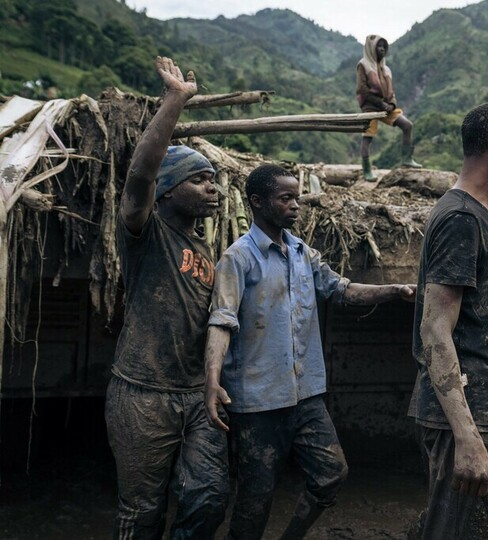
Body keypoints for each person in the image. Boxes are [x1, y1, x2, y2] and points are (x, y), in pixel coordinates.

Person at [204, 163, 415, 540]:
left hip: (306, 397)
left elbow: (342, 289)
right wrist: (212, 381)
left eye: (297, 197)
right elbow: (222, 320)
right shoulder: (238, 259)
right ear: (257, 202)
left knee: (331, 472)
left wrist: (393, 291)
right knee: (255, 499)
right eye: (286, 198)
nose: (296, 205)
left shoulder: (303, 253)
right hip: (257, 402)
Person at [104, 56, 229, 539]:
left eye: (214, 179)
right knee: (142, 512)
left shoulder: (207, 249)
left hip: (197, 394)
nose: (213, 188)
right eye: (201, 180)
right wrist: (175, 101)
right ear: (170, 190)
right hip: (142, 393)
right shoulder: (145, 231)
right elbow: (139, 176)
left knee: (209, 496)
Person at [409, 102, 488, 539]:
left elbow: (481, 325)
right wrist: (467, 437)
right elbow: (435, 329)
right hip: (472, 419)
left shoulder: (482, 216)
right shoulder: (461, 218)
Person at [356, 34, 421, 180]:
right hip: (370, 107)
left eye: (384, 47)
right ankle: (366, 170)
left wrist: (391, 104)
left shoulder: (387, 69)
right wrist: (380, 103)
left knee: (407, 125)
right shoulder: (363, 65)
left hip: (386, 107)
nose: (381, 49)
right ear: (371, 48)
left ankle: (407, 159)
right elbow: (362, 90)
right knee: (368, 137)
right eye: (378, 46)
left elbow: (391, 92)